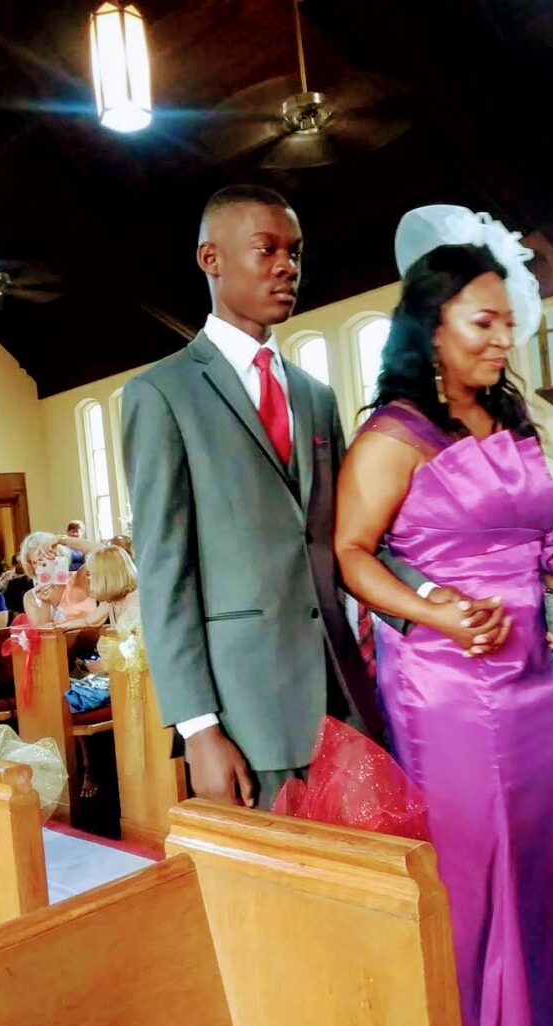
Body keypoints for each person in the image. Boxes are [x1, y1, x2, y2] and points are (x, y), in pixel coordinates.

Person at [334, 205, 553, 1026]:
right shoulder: (394, 436)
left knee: (548, 849)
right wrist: (435, 611)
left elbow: (537, 531)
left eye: (506, 324)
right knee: (481, 869)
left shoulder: (506, 419)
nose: (499, 342)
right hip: (451, 685)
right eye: (482, 323)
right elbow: (350, 554)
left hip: (530, 678)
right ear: (430, 326)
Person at [122, 184, 433, 810]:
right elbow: (165, 573)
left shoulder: (314, 395)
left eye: (295, 252)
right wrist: (199, 727)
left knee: (369, 884)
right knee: (284, 895)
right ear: (211, 259)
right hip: (248, 710)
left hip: (339, 686)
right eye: (267, 250)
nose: (288, 266)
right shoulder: (163, 394)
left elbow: (345, 534)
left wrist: (428, 600)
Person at [19, 532, 105, 630]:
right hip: (55, 644)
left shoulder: (80, 578)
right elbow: (42, 634)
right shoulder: (31, 597)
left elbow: (105, 552)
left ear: (60, 557)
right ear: (30, 566)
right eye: (36, 562)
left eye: (48, 559)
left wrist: (61, 540)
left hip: (91, 642)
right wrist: (45, 603)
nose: (43, 566)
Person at [86, 545, 140, 628]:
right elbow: (91, 621)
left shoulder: (136, 600)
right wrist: (61, 626)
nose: (89, 578)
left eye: (92, 574)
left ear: (108, 577)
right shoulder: (111, 598)